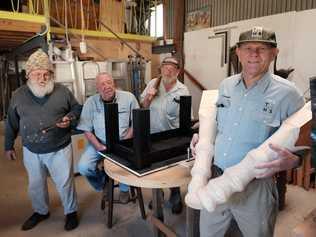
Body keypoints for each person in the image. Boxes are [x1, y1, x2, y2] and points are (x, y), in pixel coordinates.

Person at [191, 26, 305, 237]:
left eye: (261, 49)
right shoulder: (226, 86)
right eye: (248, 48)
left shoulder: (289, 94)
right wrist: (201, 136)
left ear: (274, 54)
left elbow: (307, 137)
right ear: (238, 53)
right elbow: (218, 123)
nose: (254, 54)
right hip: (216, 181)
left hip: (256, 189)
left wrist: (295, 160)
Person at [4, 49, 81, 231]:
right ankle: (41, 211)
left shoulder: (62, 91)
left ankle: (71, 212)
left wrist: (69, 118)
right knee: (36, 184)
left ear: (51, 74)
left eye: (46, 74)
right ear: (28, 75)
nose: (42, 78)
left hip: (59, 147)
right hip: (31, 149)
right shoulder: (18, 95)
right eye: (37, 74)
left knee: (65, 183)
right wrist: (8, 146)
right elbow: (11, 122)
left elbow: (77, 109)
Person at [77, 72, 139, 203]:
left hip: (124, 141)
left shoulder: (129, 98)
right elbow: (86, 129)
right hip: (99, 142)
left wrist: (126, 140)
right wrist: (98, 146)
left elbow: (136, 122)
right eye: (102, 84)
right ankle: (102, 184)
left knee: (127, 162)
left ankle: (124, 188)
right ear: (97, 88)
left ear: (114, 84)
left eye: (109, 82)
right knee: (83, 167)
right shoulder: (90, 102)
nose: (106, 86)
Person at [140, 56, 190, 214]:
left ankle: (175, 196)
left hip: (172, 138)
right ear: (161, 69)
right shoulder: (153, 83)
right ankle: (158, 195)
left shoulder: (183, 90)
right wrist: (149, 97)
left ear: (178, 71)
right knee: (155, 169)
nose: (168, 70)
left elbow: (186, 118)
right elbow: (143, 106)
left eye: (172, 68)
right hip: (153, 135)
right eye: (165, 67)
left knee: (173, 170)